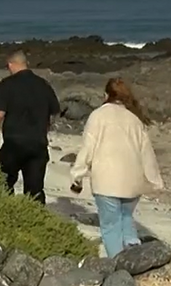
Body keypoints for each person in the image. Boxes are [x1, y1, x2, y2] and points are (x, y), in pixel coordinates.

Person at [69, 78, 164, 258]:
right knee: (127, 219)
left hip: (107, 182)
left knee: (111, 226)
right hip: (133, 182)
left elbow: (87, 149)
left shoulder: (98, 116)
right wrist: (154, 181)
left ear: (106, 96)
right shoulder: (135, 119)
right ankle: (135, 257)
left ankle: (119, 264)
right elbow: (147, 153)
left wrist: (77, 175)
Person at [0, 50, 60, 204]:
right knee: (35, 190)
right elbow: (54, 112)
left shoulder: (7, 84)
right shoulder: (43, 84)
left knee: (3, 184)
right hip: (38, 144)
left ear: (11, 64)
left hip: (14, 143)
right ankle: (35, 222)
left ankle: (6, 216)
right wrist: (44, 128)